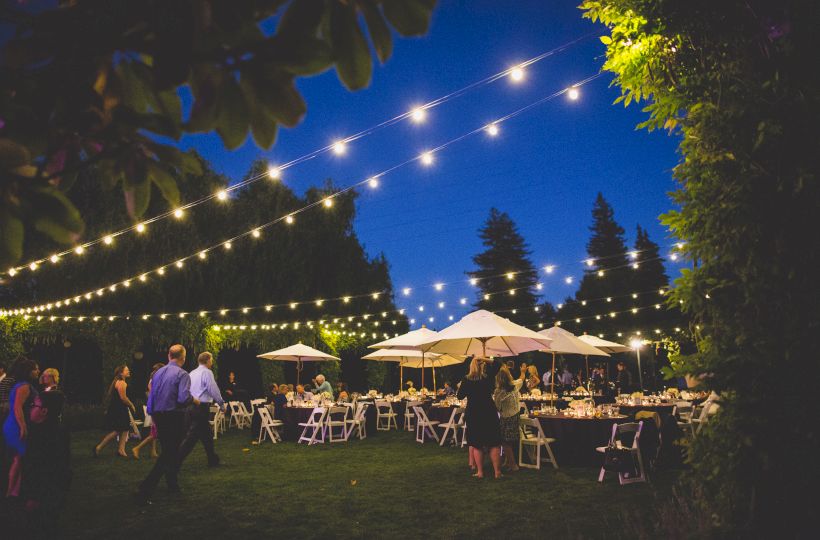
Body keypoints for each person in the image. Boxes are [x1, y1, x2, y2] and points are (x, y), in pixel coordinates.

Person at [136, 345, 193, 505]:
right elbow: (182, 399)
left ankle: (172, 484)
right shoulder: (183, 374)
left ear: (169, 355)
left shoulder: (157, 373)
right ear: (183, 357)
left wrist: (152, 414)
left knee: (170, 451)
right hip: (174, 416)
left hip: (158, 416)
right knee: (169, 453)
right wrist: (192, 399)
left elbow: (151, 397)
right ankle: (145, 488)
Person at [25, 367, 71, 531]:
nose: (31, 409)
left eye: (33, 406)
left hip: (45, 495)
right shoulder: (52, 433)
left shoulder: (47, 437)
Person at [457, 356, 503, 479]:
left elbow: (459, 396)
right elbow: (499, 363)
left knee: (477, 444)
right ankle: (497, 472)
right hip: (489, 412)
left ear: (471, 366)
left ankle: (480, 472)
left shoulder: (466, 380)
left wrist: (463, 386)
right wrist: (485, 359)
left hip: (474, 413)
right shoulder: (488, 377)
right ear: (482, 365)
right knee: (494, 443)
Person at [179, 352, 223, 468]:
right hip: (201, 407)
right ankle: (175, 460)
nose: (212, 362)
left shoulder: (192, 373)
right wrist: (222, 404)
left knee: (207, 435)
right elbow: (213, 389)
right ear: (208, 360)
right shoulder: (207, 372)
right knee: (191, 438)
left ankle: (213, 460)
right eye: (211, 360)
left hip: (190, 407)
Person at [3, 357, 40, 497]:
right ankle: (10, 492)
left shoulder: (20, 385)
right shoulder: (24, 386)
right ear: (28, 371)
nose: (38, 371)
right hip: (16, 425)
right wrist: (23, 426)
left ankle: (15, 490)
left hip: (13, 423)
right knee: (17, 460)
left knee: (19, 459)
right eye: (35, 369)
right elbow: (18, 407)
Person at [94, 365, 136, 458]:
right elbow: (123, 398)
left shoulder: (118, 382)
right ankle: (98, 447)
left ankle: (121, 450)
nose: (129, 371)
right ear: (121, 373)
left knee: (125, 428)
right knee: (117, 430)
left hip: (118, 408)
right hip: (119, 409)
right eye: (127, 370)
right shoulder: (121, 383)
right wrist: (132, 405)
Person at [132, 363, 164, 460]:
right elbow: (153, 392)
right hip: (156, 407)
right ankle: (137, 448)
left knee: (154, 430)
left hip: (154, 407)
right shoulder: (155, 380)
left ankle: (153, 452)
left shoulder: (153, 379)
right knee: (156, 431)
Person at [494, 366, 521, 472]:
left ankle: (513, 465)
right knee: (510, 441)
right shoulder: (514, 387)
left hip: (506, 417)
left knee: (505, 442)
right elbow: (521, 379)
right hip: (515, 416)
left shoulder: (498, 391)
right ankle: (508, 462)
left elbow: (497, 407)